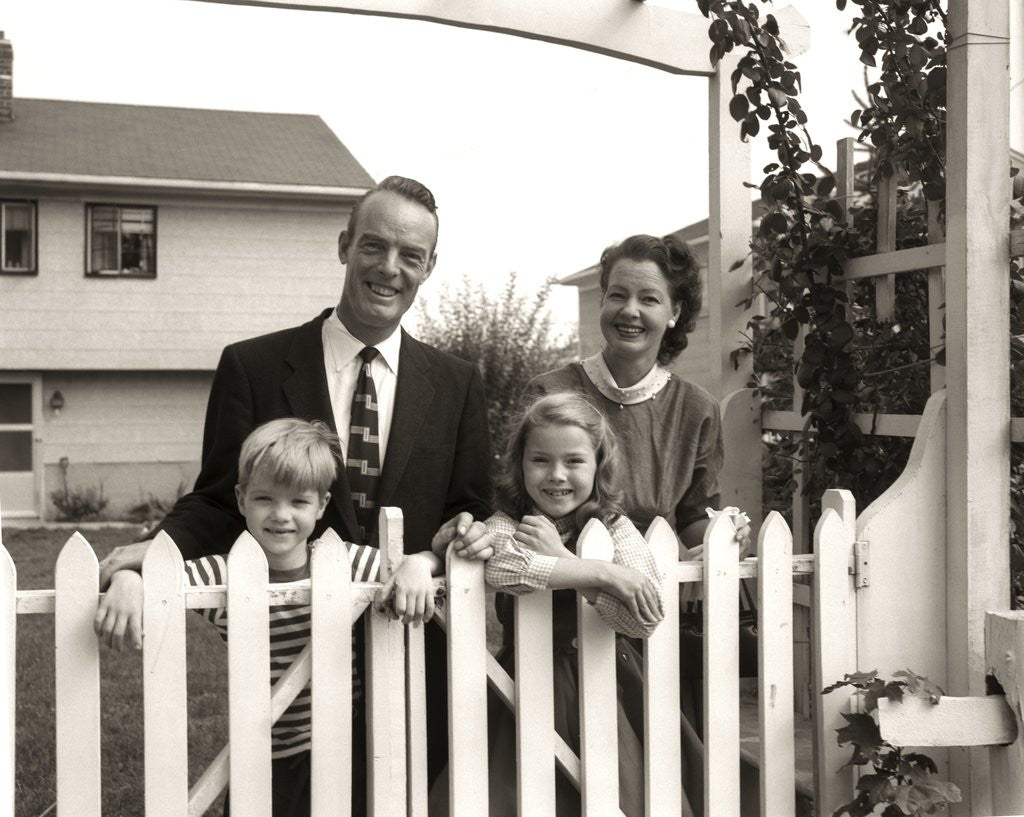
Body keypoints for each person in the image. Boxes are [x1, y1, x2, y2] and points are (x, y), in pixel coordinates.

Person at [96, 175, 493, 793]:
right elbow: (218, 496)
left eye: (410, 256)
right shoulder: (252, 367)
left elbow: (470, 511)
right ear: (343, 245)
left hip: (413, 651)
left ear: (429, 266)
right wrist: (153, 555)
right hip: (294, 668)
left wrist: (431, 554)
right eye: (373, 246)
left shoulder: (459, 382)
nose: (389, 268)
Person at [96, 418, 383, 817]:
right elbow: (160, 578)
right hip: (264, 753)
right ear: (241, 497)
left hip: (342, 746)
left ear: (321, 505)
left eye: (298, 502)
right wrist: (128, 577)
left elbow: (413, 569)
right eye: (265, 498)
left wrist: (419, 567)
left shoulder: (346, 563)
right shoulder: (221, 575)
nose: (281, 515)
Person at [440, 391, 683, 817]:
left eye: (574, 461)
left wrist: (566, 561)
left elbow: (642, 619)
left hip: (610, 681)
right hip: (528, 681)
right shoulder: (507, 524)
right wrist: (602, 574)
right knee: (523, 792)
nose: (556, 475)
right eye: (540, 460)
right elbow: (503, 571)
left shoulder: (614, 527)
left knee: (618, 793)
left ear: (598, 465)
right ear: (520, 465)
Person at [527, 233, 724, 551]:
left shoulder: (697, 409)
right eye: (618, 295)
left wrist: (724, 540)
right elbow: (517, 501)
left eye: (649, 299)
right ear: (603, 300)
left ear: (674, 311)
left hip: (649, 586)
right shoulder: (549, 391)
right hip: (553, 584)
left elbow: (693, 519)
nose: (630, 310)